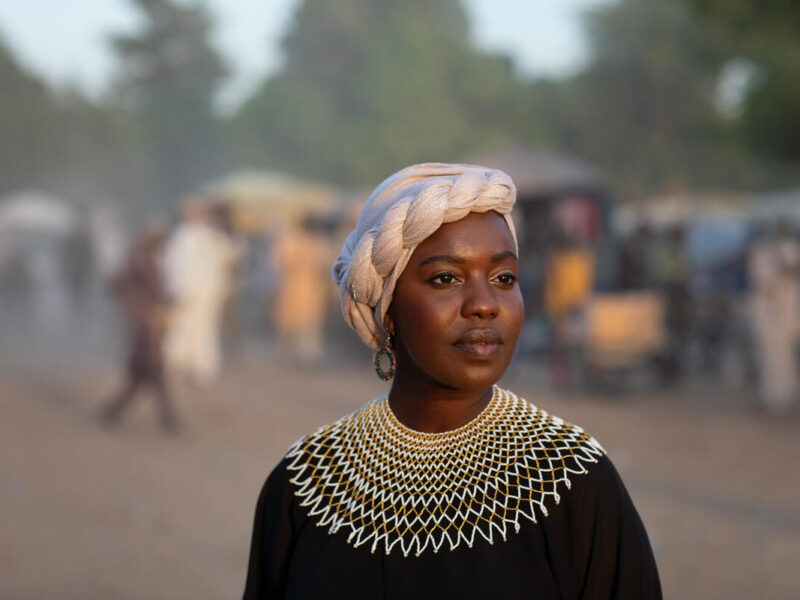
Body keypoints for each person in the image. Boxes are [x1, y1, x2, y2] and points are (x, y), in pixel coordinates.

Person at [243, 164, 661, 599]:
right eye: (446, 278)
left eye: (504, 278)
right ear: (387, 308)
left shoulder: (572, 479)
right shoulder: (307, 483)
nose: (484, 305)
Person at [100, 226, 178, 431]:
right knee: (154, 369)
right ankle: (167, 417)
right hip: (144, 324)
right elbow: (116, 285)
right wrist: (137, 305)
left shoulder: (149, 260)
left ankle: (112, 411)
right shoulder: (138, 261)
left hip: (151, 322)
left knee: (143, 375)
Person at [162, 200, 238, 386]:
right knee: (202, 329)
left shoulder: (184, 236)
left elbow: (174, 266)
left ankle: (187, 366)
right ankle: (199, 369)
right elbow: (231, 258)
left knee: (186, 327)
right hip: (207, 290)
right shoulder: (212, 236)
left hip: (191, 290)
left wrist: (174, 290)